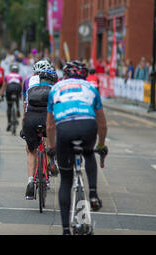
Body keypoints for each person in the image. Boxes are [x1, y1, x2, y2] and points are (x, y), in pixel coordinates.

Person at [46, 61, 108, 235]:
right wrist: (101, 145)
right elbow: (102, 124)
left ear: (65, 75)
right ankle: (94, 194)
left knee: (66, 180)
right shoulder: (90, 87)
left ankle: (66, 230)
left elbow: (50, 126)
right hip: (87, 126)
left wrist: (52, 147)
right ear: (84, 75)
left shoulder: (56, 88)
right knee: (89, 153)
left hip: (64, 129)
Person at [22, 68, 59, 200]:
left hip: (30, 121)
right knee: (52, 137)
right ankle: (52, 161)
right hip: (46, 120)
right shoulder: (55, 90)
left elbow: (25, 109)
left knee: (31, 150)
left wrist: (23, 128)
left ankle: (30, 181)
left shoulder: (31, 90)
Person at [3, 64, 23, 131]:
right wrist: (21, 94)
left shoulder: (7, 75)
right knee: (17, 98)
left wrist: (3, 94)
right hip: (17, 87)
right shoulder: (19, 76)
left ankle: (9, 122)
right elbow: (21, 85)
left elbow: (5, 85)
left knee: (9, 106)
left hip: (10, 87)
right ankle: (17, 109)